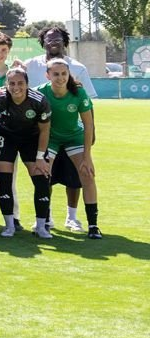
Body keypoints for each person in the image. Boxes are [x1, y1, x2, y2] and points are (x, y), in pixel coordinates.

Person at [0, 67, 52, 238]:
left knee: (42, 180)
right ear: (6, 84)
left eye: (20, 83)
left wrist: (40, 157)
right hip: (6, 136)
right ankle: (9, 225)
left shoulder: (39, 100)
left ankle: (41, 226)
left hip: (31, 138)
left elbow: (45, 130)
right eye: (12, 83)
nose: (16, 87)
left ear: (27, 84)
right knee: (4, 181)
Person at [42, 58, 99, 238]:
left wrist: (87, 157)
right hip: (50, 139)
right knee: (43, 175)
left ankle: (93, 225)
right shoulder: (41, 93)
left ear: (69, 75)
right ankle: (44, 219)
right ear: (48, 75)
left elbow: (88, 125)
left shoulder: (79, 93)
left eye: (64, 74)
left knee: (88, 175)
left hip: (74, 137)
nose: (60, 78)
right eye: (56, 74)